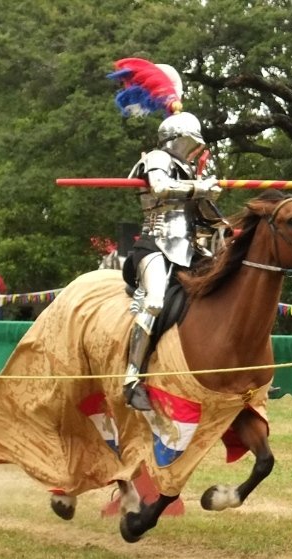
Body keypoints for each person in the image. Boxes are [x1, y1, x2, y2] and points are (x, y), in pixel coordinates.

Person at [110, 58, 227, 410]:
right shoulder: (156, 160)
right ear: (177, 139)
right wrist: (199, 187)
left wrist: (223, 224)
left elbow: (205, 214)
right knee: (156, 300)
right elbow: (160, 189)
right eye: (192, 142)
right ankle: (133, 377)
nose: (196, 148)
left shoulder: (189, 168)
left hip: (189, 247)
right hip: (155, 246)